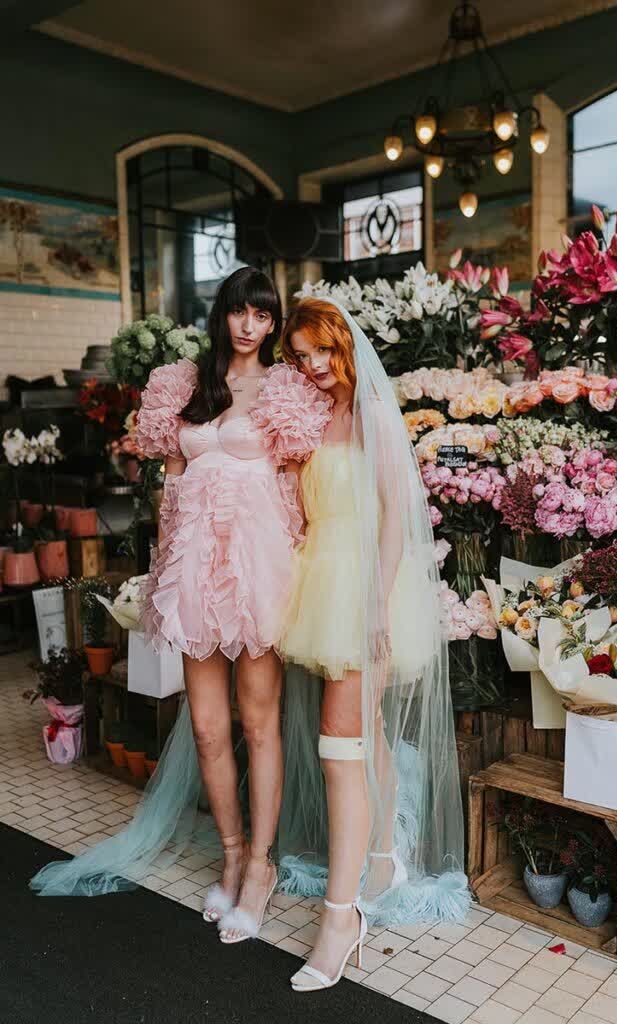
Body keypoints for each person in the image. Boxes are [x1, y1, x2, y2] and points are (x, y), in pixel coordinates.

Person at [30, 269, 330, 950]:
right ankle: (230, 850)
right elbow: (170, 485)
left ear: (273, 321)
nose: (250, 325)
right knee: (203, 728)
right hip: (195, 567)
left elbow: (296, 487)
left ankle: (259, 865)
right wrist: (165, 570)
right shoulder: (181, 384)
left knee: (259, 724)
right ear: (220, 315)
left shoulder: (288, 389)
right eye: (239, 312)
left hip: (259, 569)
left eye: (262, 314)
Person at [274, 297, 470, 993]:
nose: (313, 366)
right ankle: (385, 853)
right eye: (298, 355)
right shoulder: (305, 417)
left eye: (321, 350)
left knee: (339, 742)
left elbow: (394, 516)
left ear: (344, 346)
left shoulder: (374, 416)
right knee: (365, 733)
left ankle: (340, 916)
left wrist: (377, 602)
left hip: (366, 587)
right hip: (317, 577)